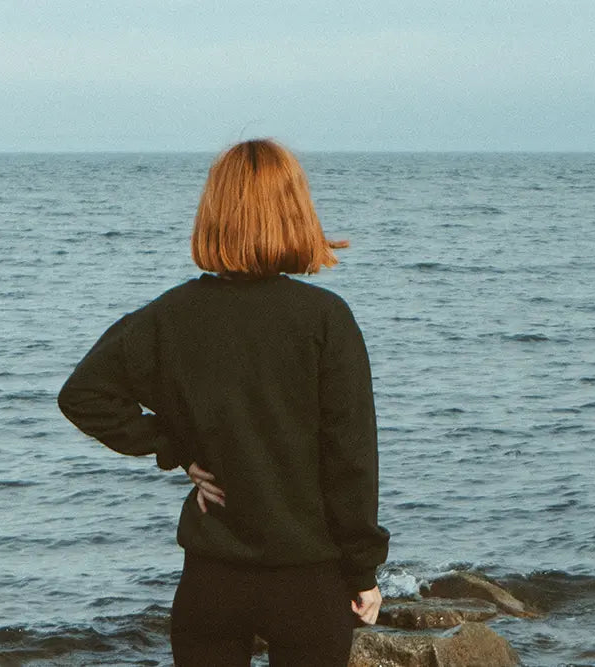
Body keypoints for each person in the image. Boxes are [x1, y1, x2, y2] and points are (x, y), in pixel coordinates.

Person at [57, 138, 390, 666]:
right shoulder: (325, 319)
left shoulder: (173, 315)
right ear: (295, 212)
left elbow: (85, 394)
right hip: (307, 579)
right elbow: (350, 459)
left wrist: (174, 447)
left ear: (215, 215)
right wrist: (364, 572)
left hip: (211, 580)